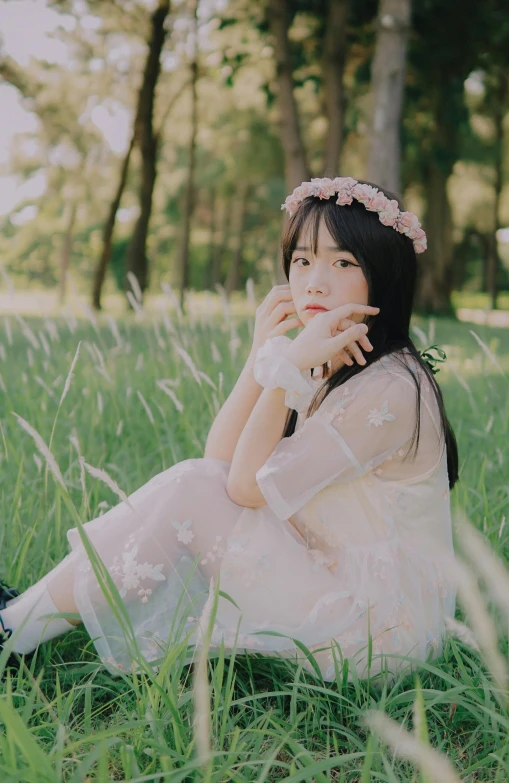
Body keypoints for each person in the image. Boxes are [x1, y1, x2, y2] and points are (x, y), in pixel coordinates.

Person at [0, 176, 458, 683]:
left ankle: (10, 631)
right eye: (303, 260)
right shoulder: (330, 356)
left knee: (193, 488)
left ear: (385, 275)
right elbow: (218, 462)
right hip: (333, 581)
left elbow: (238, 487)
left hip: (377, 635)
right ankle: (15, 623)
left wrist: (286, 372)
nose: (315, 282)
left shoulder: (390, 386)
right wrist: (262, 358)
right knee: (195, 483)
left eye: (343, 262)